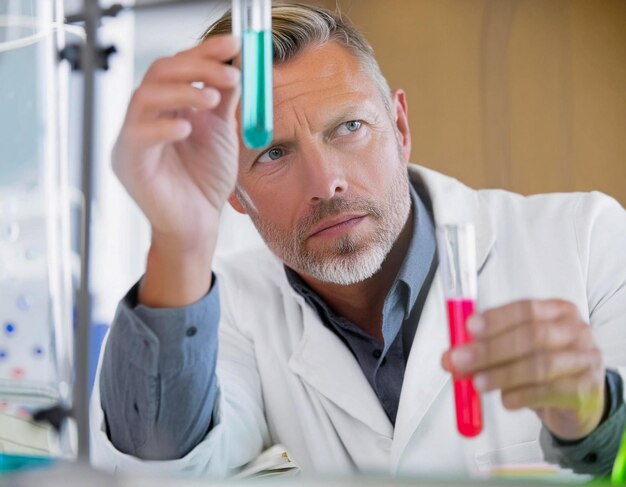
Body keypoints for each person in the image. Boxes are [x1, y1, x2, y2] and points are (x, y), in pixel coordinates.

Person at [91, 2, 626, 478]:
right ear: (233, 190)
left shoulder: (587, 241)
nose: (326, 184)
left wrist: (591, 417)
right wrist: (178, 240)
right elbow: (159, 467)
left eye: (348, 127)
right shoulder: (226, 310)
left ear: (399, 126)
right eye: (273, 154)